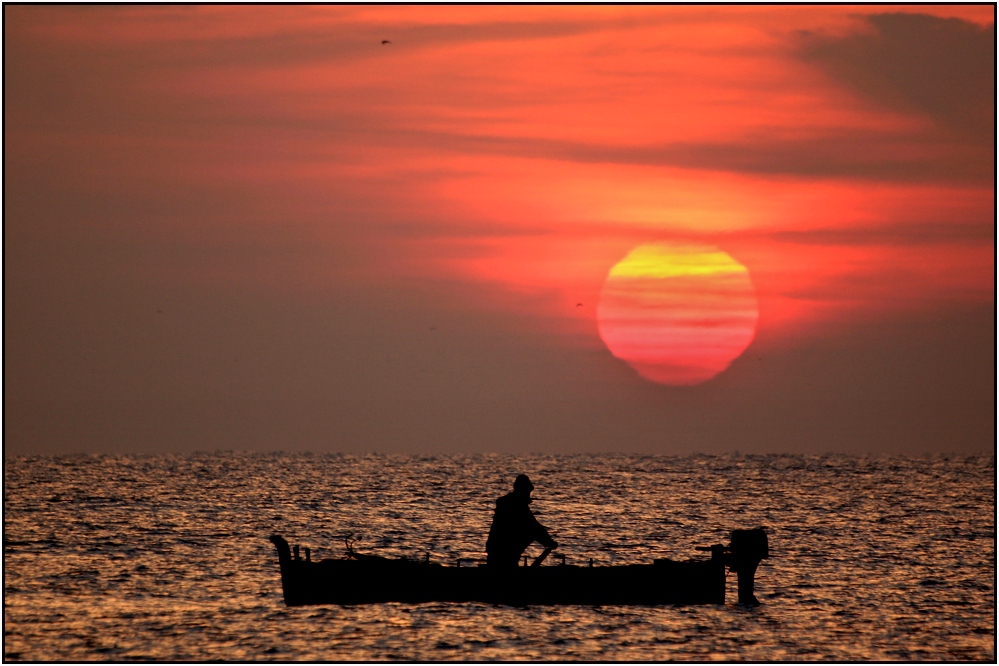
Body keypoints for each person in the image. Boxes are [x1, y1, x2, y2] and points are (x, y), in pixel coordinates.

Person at [485, 474, 558, 567]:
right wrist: (549, 542)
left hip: (495, 549)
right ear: (523, 490)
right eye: (528, 491)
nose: (529, 494)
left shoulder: (508, 503)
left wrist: (547, 541)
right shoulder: (518, 506)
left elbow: (535, 527)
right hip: (504, 551)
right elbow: (535, 527)